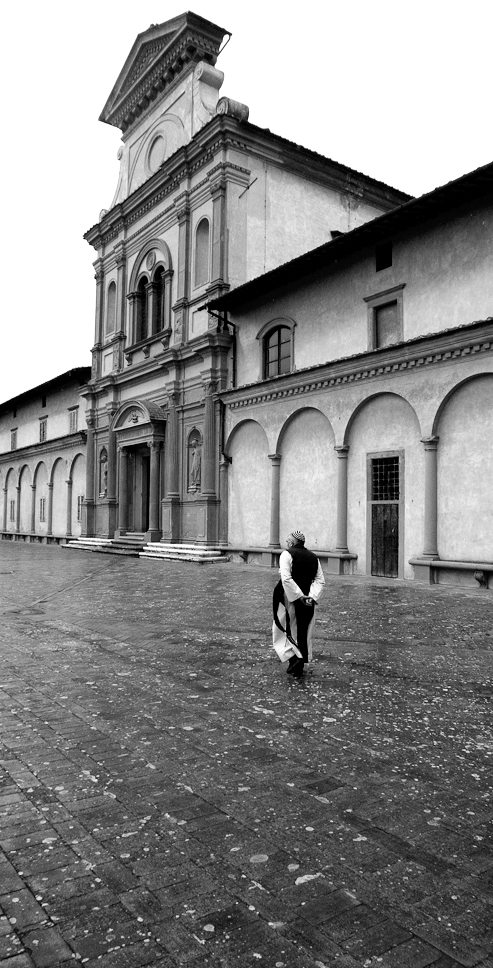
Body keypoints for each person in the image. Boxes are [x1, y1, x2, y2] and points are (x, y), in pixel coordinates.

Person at [272, 531, 325, 678]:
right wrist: (310, 597)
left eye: (288, 540)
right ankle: (299, 662)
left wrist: (298, 597)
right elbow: (320, 581)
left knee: (283, 627)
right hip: (307, 599)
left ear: (292, 542)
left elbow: (286, 579)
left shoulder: (286, 555)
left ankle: (295, 659)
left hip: (287, 596)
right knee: (303, 629)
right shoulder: (314, 557)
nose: (287, 543)